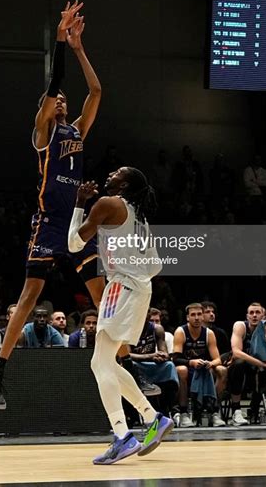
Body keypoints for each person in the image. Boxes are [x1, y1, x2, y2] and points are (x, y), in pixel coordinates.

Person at [0, 1, 101, 409]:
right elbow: (55, 84)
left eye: (65, 99)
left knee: (104, 299)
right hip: (50, 222)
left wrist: (81, 47)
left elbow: (98, 92)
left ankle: (125, 366)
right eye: (56, 99)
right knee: (31, 295)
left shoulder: (77, 131)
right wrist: (61, 42)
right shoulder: (42, 133)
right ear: (47, 107)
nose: (62, 100)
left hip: (78, 224)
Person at [68, 167, 174, 464]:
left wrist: (79, 203)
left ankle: (122, 435)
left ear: (123, 184)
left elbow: (74, 244)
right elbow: (155, 266)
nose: (111, 173)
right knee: (104, 362)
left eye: (117, 172)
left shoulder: (107, 203)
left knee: (100, 363)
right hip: (141, 290)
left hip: (121, 287)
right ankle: (153, 418)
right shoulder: (139, 218)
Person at [228, 302, 266, 426]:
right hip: (245, 369)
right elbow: (237, 353)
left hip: (262, 372)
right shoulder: (240, 326)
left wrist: (262, 335)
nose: (254, 315)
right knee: (238, 363)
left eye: (258, 313)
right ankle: (236, 411)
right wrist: (263, 364)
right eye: (251, 313)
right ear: (247, 316)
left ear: (264, 317)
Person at [172, 303, 226, 428]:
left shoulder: (209, 333)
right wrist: (191, 362)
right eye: (193, 315)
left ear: (203, 317)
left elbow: (218, 359)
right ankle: (184, 413)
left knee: (222, 370)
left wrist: (210, 363)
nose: (196, 317)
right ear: (187, 318)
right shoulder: (181, 331)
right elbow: (175, 358)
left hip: (204, 369)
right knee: (181, 370)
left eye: (199, 314)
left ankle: (214, 411)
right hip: (188, 367)